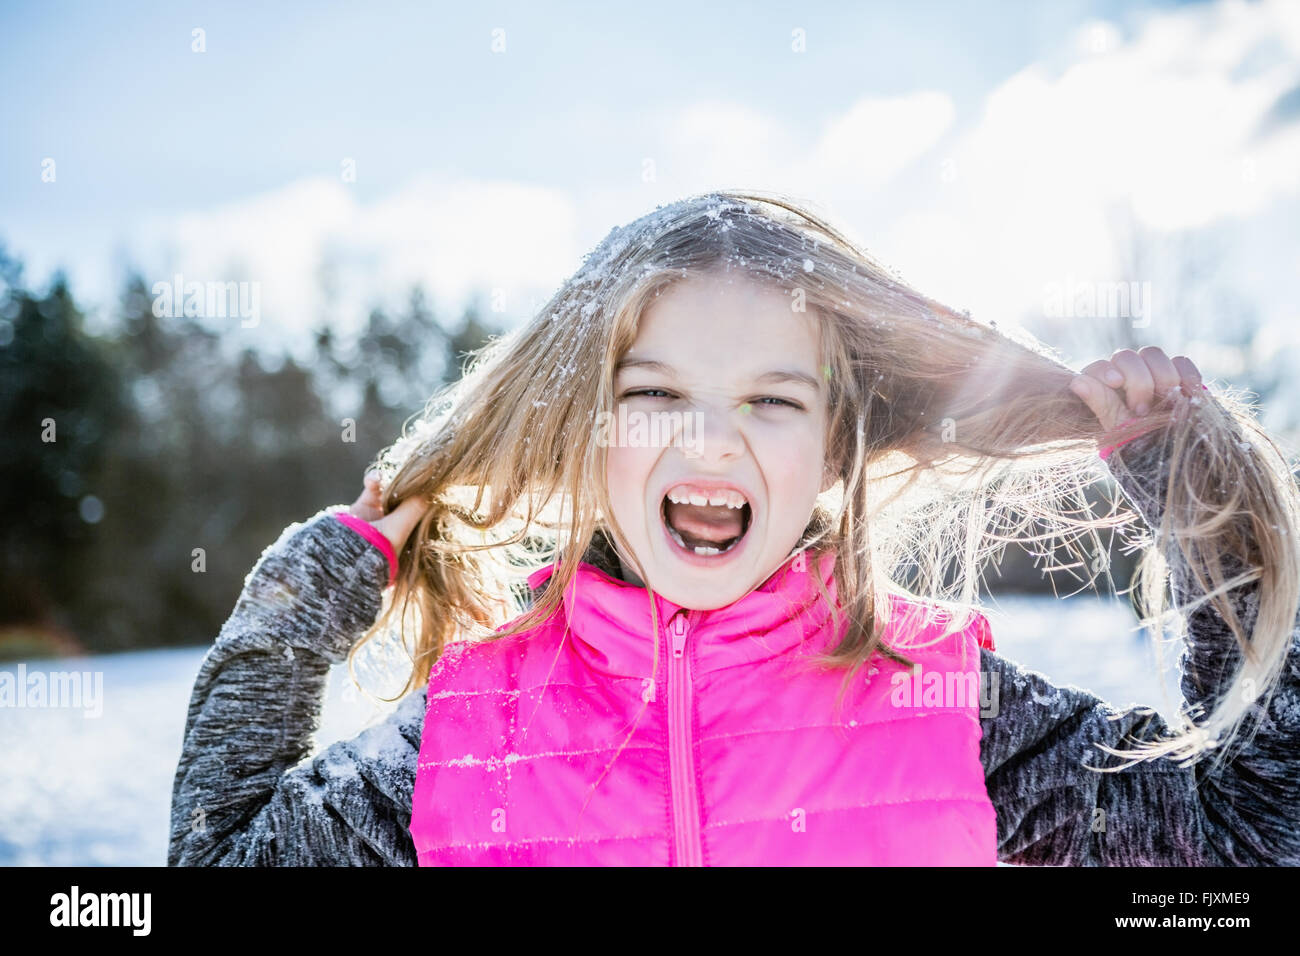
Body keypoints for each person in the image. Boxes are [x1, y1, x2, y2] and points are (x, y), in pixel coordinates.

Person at [168, 190, 1300, 865]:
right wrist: (309, 590)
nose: (711, 443)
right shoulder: (466, 738)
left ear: (834, 446)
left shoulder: (946, 704)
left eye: (771, 398)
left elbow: (1247, 844)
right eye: (656, 393)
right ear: (586, 426)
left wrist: (1195, 503)